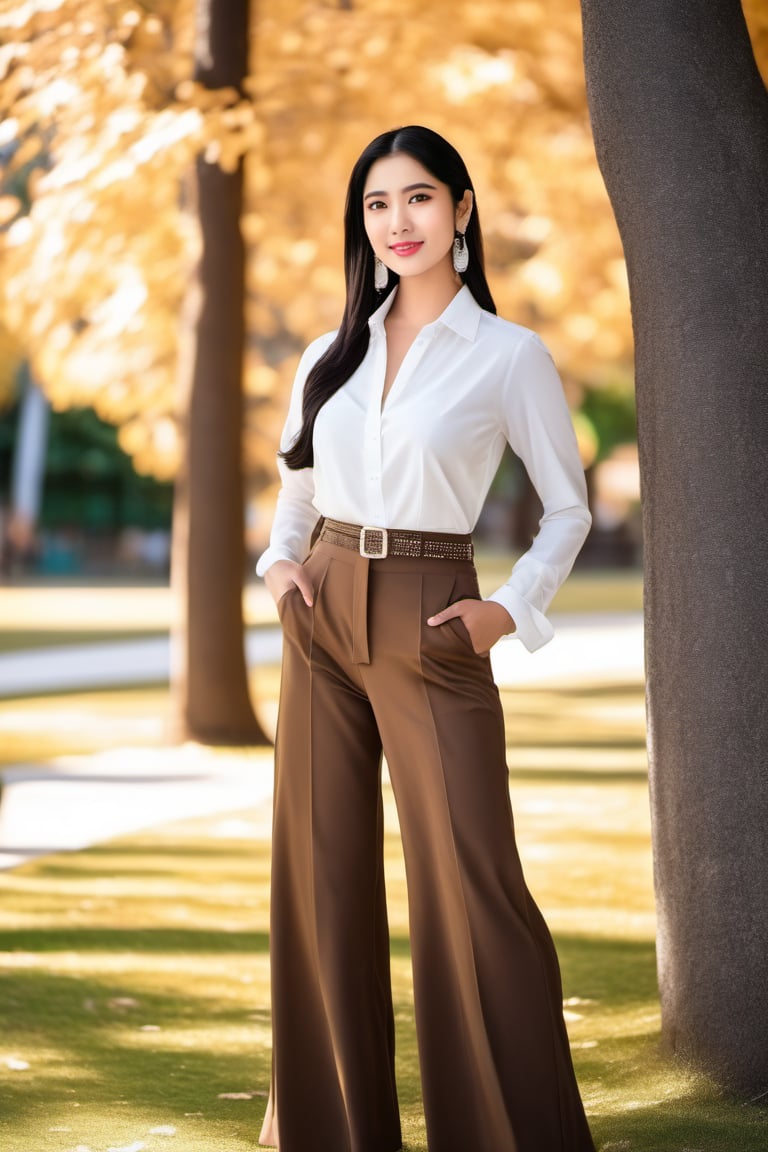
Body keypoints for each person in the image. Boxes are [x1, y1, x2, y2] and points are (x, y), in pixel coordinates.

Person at [256, 125, 595, 1152]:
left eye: (417, 199)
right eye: (376, 204)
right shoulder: (332, 352)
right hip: (321, 606)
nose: (396, 222)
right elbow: (299, 487)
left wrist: (511, 608)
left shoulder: (508, 354)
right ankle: (331, 1131)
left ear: (461, 211)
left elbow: (568, 507)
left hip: (434, 607)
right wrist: (279, 568)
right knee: (317, 874)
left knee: (469, 877)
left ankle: (509, 1132)